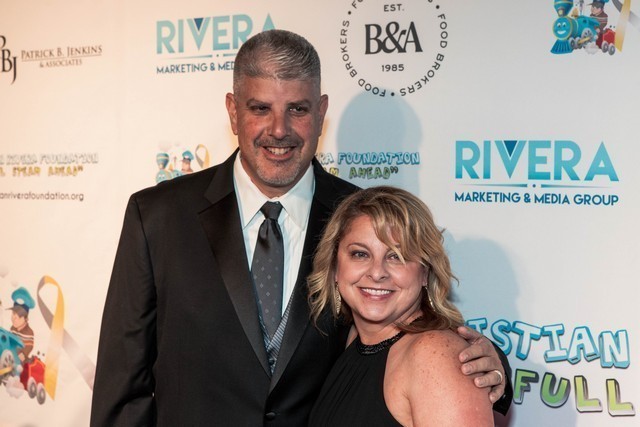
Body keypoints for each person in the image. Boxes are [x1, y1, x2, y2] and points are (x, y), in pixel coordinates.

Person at [90, 29, 511, 427]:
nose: (279, 130)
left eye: (298, 109)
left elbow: (413, 329)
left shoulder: (359, 219)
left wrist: (492, 365)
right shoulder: (158, 216)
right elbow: (123, 385)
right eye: (260, 108)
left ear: (321, 112)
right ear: (233, 112)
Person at [308, 186, 494, 426]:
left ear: (425, 272)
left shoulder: (433, 356)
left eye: (397, 256)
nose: (377, 273)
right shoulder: (354, 338)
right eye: (360, 254)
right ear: (335, 266)